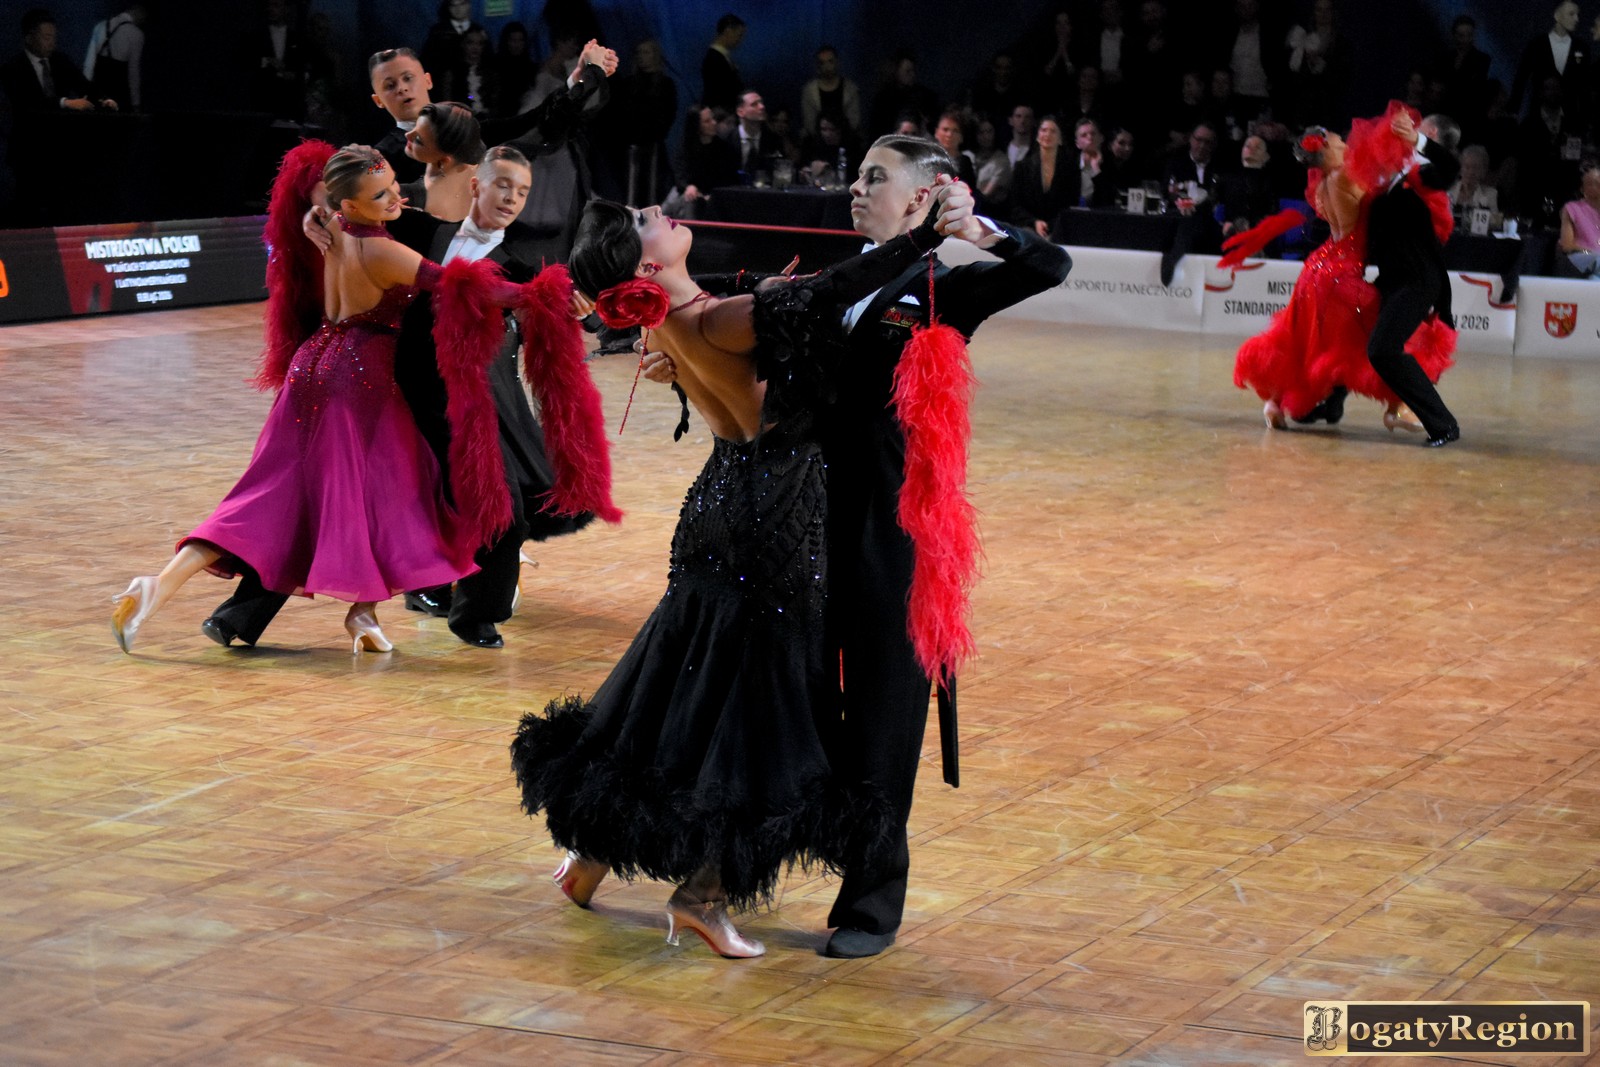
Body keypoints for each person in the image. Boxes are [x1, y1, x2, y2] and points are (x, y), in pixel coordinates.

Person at [510, 170, 981, 957]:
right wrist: (924, 237)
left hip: (714, 508)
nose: (659, 210)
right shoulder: (721, 317)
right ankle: (704, 893)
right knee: (762, 710)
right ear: (646, 265)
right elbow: (832, 289)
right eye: (646, 219)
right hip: (774, 518)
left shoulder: (666, 324)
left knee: (677, 678)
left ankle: (591, 858)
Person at [109, 144, 599, 655]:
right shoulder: (384, 248)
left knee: (302, 495)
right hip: (361, 382)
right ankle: (356, 610)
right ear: (352, 203)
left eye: (394, 187)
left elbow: (324, 201)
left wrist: (315, 215)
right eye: (382, 194)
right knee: (390, 496)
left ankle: (172, 587)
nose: (397, 198)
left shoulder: (339, 227)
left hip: (315, 365)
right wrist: (546, 293)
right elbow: (468, 290)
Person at [1231, 108, 1456, 438]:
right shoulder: (1348, 178)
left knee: (1305, 340)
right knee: (1382, 340)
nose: (1348, 143)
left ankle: (1277, 402)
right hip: (1341, 275)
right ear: (1328, 149)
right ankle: (1399, 408)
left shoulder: (1324, 183)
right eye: (1340, 140)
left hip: (1315, 272)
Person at [400, 100, 487, 221]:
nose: (407, 135)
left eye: (418, 139)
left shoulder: (408, 197)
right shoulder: (484, 169)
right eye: (414, 126)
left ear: (445, 160)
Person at [1011, 115, 1074, 236]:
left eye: (1053, 131)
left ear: (1060, 138)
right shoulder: (1022, 167)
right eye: (1044, 130)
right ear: (1037, 136)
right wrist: (1035, 222)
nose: (1047, 134)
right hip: (1028, 227)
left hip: (1060, 228)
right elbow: (1015, 207)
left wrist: (1051, 225)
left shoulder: (1070, 169)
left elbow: (1070, 206)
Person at [671, 103, 740, 212]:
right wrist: (688, 187)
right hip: (688, 192)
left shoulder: (724, 149)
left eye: (712, 119)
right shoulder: (685, 146)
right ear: (697, 126)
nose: (714, 123)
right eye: (707, 121)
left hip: (715, 195)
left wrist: (712, 195)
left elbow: (727, 178)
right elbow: (680, 174)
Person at [82, 2, 146, 111]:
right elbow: (133, 73)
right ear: (140, 15)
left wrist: (83, 94)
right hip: (119, 93)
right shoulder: (136, 34)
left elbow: (89, 64)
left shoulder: (100, 26)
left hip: (98, 90)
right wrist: (136, 103)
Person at [801, 44, 861, 138]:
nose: (827, 66)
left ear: (837, 63)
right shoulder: (809, 91)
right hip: (817, 141)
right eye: (822, 63)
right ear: (818, 66)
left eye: (830, 61)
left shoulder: (850, 89)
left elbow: (854, 120)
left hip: (846, 139)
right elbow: (810, 123)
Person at [1558, 164, 1600, 277]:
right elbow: (1567, 245)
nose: (1598, 184)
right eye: (1591, 183)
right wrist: (1591, 251)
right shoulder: (1572, 208)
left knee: (1594, 278)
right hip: (1581, 256)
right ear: (1582, 189)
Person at [700, 12, 744, 114]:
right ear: (728, 31)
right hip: (722, 114)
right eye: (739, 35)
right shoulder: (714, 59)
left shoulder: (720, 57)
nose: (740, 40)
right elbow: (719, 93)